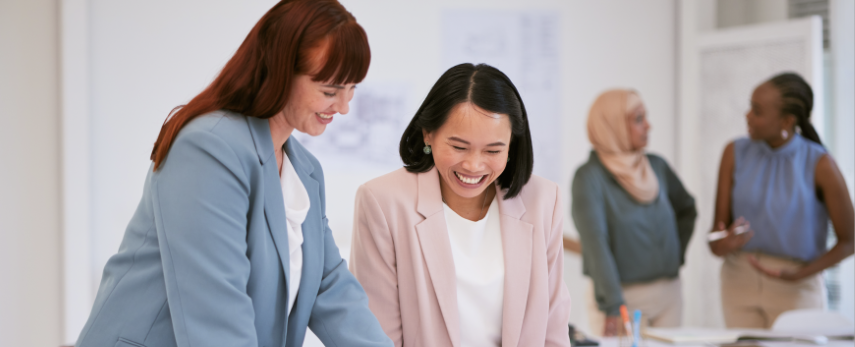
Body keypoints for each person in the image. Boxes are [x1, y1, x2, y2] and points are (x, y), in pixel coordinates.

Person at [74, 1, 392, 346]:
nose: (343, 108)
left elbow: (331, 289)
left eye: (351, 90)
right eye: (330, 91)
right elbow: (216, 314)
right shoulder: (207, 150)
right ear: (281, 70)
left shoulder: (304, 170)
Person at [349, 63, 572, 347]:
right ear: (428, 134)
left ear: (512, 145)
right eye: (458, 147)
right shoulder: (382, 202)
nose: (473, 165)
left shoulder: (544, 200)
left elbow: (553, 330)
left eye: (493, 150)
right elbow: (378, 337)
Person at [710, 72, 854, 328]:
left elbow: (849, 241)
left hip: (796, 287)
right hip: (738, 281)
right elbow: (715, 240)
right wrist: (725, 243)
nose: (747, 115)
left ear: (787, 121)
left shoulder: (820, 164)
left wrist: (800, 275)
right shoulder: (734, 152)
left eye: (757, 110)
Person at [571, 89, 697, 336]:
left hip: (668, 294)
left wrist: (675, 255)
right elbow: (596, 244)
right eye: (638, 119)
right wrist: (613, 306)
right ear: (613, 124)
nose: (648, 126)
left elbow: (687, 209)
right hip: (622, 300)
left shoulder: (656, 166)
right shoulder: (589, 177)